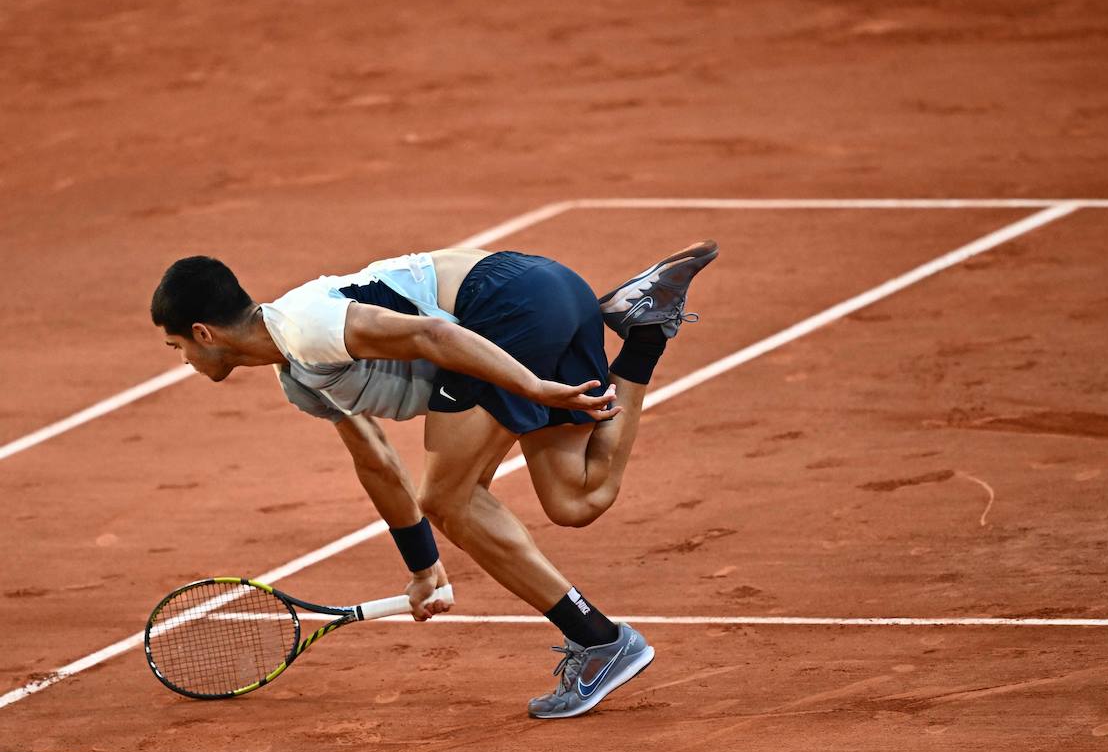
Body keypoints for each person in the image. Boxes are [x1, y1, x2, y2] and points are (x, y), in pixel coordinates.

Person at [149, 240, 717, 718]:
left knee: (449, 496)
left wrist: (533, 388)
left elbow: (433, 338)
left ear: (204, 333)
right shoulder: (297, 372)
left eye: (177, 347)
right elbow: (375, 457)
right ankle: (644, 332)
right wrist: (422, 568)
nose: (183, 361)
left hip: (505, 306)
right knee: (578, 498)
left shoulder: (304, 326)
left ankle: (599, 642)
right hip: (550, 292)